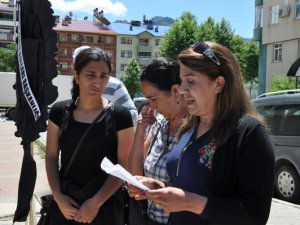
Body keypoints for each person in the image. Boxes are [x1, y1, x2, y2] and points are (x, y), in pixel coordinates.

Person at [145, 42, 275, 225]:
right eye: (182, 81)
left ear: (219, 84)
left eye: (190, 81)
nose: (182, 90)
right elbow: (189, 187)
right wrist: (160, 188)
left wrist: (192, 203)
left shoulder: (248, 133)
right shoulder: (189, 127)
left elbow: (255, 214)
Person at [46, 46, 134, 224]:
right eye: (90, 75)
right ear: (76, 76)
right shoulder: (59, 111)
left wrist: (95, 203)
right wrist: (58, 197)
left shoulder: (120, 115)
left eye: (104, 76)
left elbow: (124, 165)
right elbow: (51, 157)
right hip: (66, 206)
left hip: (105, 208)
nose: (97, 82)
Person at [128, 58, 188, 225]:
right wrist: (140, 131)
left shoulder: (197, 128)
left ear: (176, 91)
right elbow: (136, 174)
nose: (151, 106)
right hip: (150, 219)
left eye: (154, 99)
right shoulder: (159, 123)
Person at [73, 46, 138, 125]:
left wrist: (106, 118)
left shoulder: (115, 85)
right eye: (90, 75)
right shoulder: (62, 108)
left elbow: (133, 114)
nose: (97, 84)